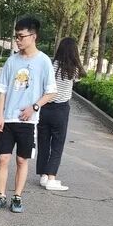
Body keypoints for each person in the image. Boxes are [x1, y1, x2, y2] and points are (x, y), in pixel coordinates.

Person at [0, 16, 57, 214]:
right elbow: (2, 90)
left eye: (21, 36)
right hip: (8, 119)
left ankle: (17, 196)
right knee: (3, 158)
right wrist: (0, 116)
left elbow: (51, 92)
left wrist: (34, 107)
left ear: (33, 36)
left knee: (21, 160)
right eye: (16, 36)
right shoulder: (12, 61)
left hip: (28, 121)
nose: (17, 40)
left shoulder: (44, 61)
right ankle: (0, 195)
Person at [36, 37, 85, 192]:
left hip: (44, 107)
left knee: (43, 142)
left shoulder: (50, 65)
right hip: (61, 110)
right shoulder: (74, 69)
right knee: (57, 144)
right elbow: (79, 78)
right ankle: (51, 178)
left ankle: (43, 175)